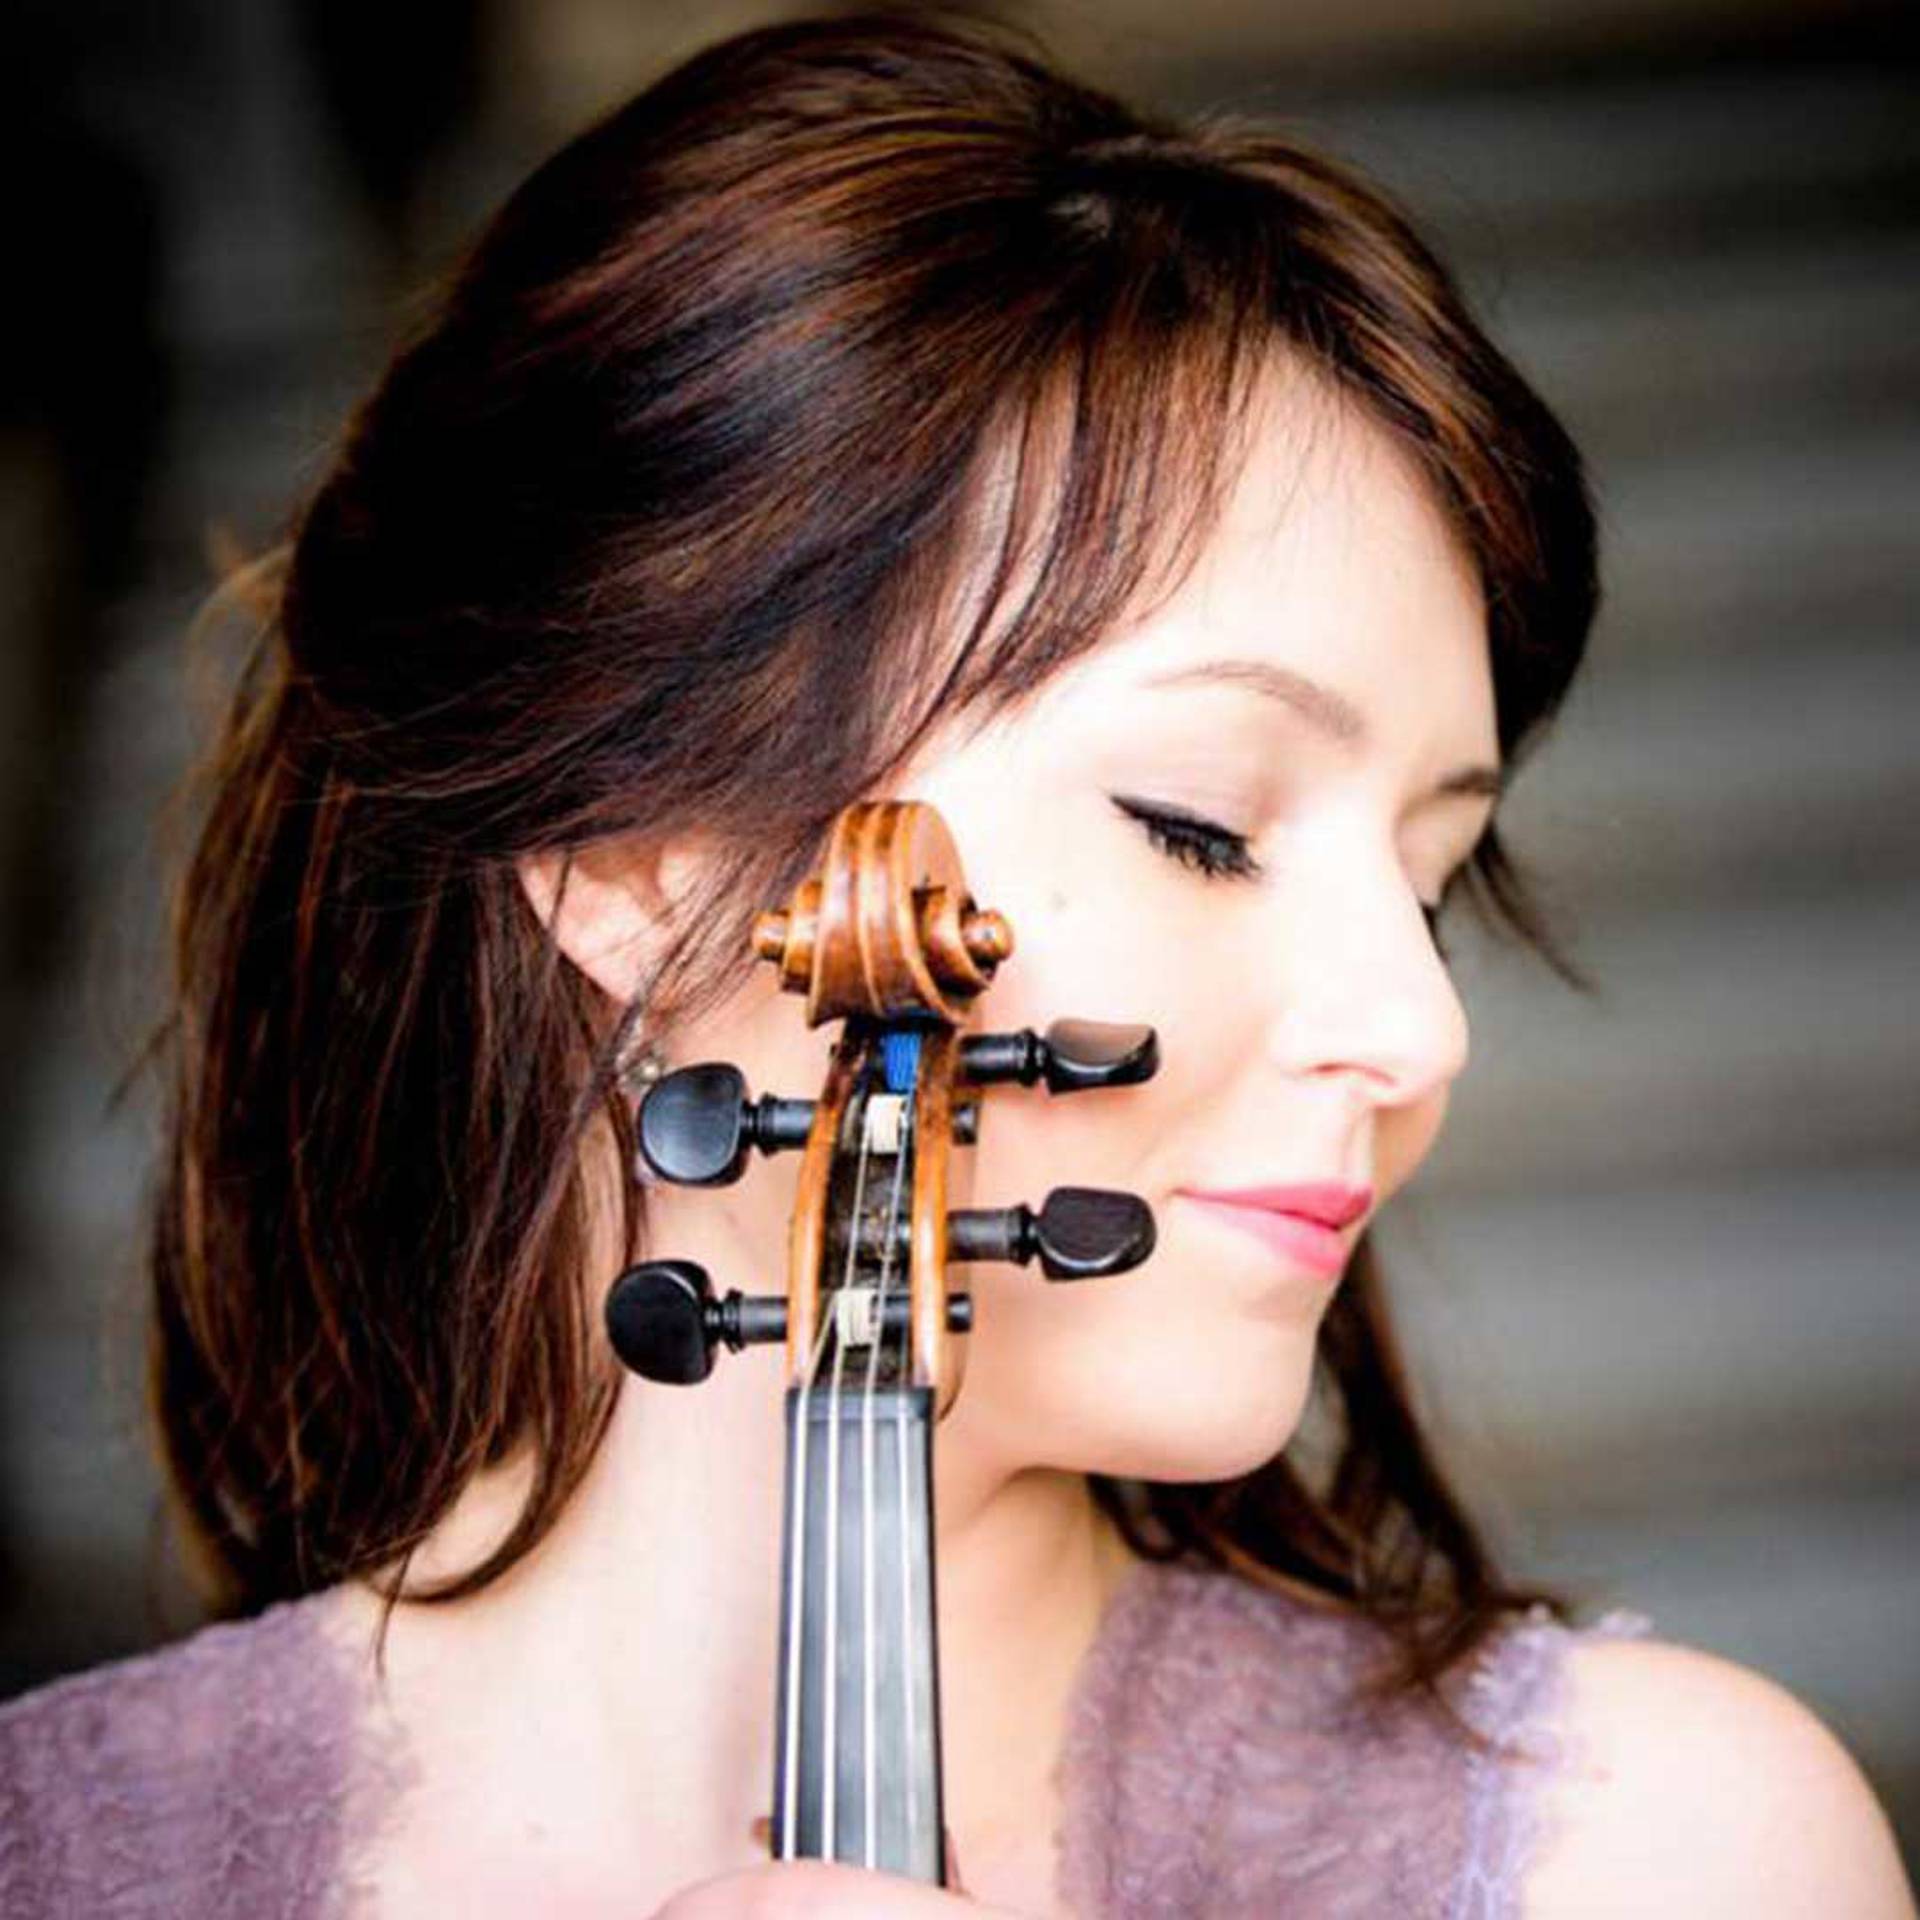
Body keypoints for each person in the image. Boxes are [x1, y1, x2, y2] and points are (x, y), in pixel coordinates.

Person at [1, 10, 1911, 1917]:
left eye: (1435, 872)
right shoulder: (63, 1861)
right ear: (633, 852)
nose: (1418, 1028)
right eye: (1199, 822)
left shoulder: (1659, 1849)